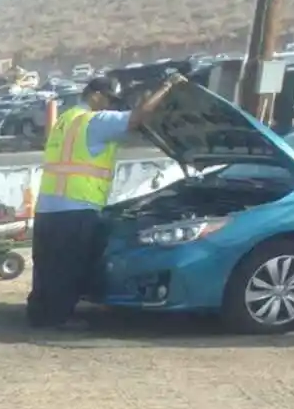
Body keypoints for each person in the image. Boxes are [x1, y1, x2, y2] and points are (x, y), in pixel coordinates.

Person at [27, 72, 185, 329]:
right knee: (69, 265)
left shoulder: (67, 120)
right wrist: (167, 87)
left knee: (46, 265)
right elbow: (137, 118)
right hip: (77, 206)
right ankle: (59, 318)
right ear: (95, 95)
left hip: (48, 207)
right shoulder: (95, 121)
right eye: (109, 99)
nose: (112, 105)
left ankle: (39, 314)